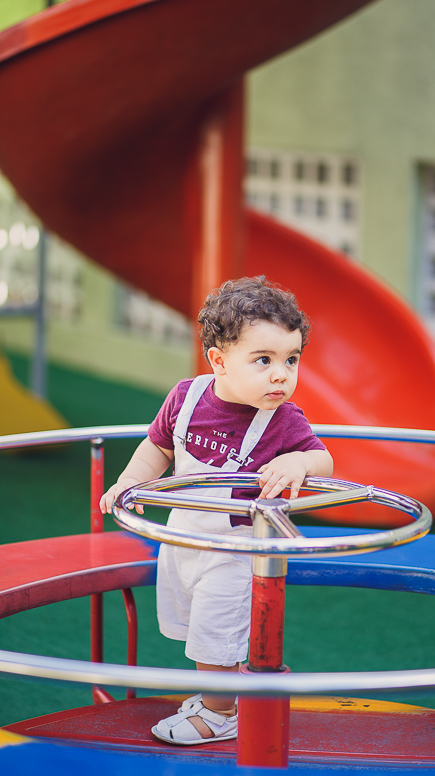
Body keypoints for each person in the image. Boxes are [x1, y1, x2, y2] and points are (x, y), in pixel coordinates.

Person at [100, 275, 333, 745]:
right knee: (195, 627)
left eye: (291, 359)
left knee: (215, 636)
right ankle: (223, 694)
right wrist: (129, 482)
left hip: (237, 550)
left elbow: (323, 459)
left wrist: (297, 460)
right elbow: (156, 449)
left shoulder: (284, 421)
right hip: (185, 536)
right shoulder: (185, 399)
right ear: (219, 362)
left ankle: (221, 713)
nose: (281, 374)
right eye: (263, 360)